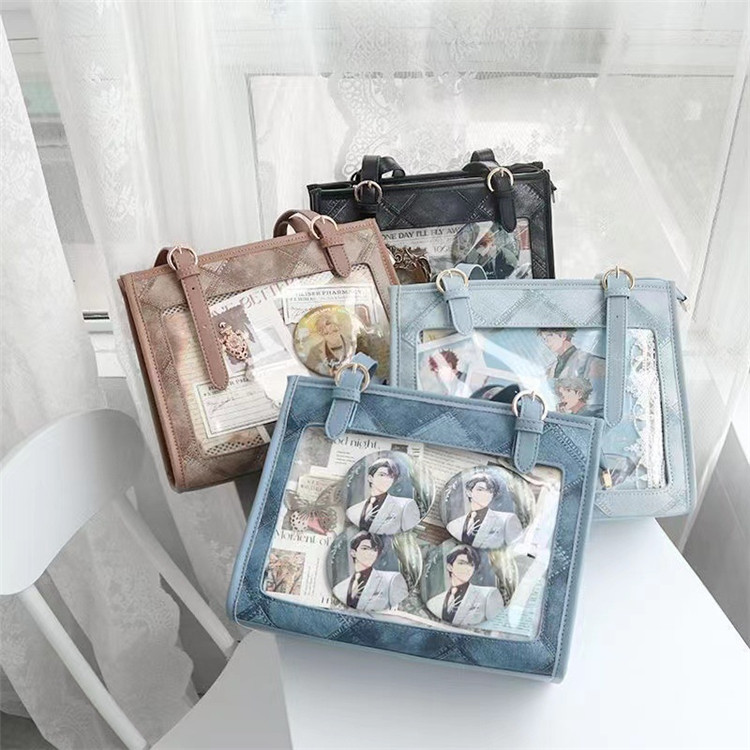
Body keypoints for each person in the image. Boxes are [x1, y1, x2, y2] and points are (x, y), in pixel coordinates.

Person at [426, 546, 503, 627]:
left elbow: (497, 627)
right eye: (461, 563)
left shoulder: (488, 594)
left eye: (471, 565)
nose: (467, 568)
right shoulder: (434, 602)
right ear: (450, 567)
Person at [332, 532, 408, 612]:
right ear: (353, 553)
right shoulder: (339, 588)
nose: (370, 553)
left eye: (374, 550)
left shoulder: (392, 580)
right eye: (365, 548)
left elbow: (401, 612)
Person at [446, 472, 523, 547]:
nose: (485, 494)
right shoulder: (453, 525)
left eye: (490, 491)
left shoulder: (507, 520)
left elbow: (516, 548)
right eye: (480, 489)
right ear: (469, 492)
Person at [346, 458, 421, 534]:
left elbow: (412, 535)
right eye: (382, 475)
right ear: (370, 478)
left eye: (391, 476)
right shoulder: (352, 511)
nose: (387, 480)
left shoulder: (405, 505)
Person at [538, 329, 605, 382]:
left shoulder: (589, 361)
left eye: (549, 335)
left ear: (563, 335)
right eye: (544, 339)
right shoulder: (551, 368)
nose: (546, 342)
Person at [305, 311, 354, 376]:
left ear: (340, 328)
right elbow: (311, 373)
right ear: (321, 334)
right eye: (326, 333)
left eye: (335, 331)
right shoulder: (314, 352)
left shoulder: (353, 344)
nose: (332, 336)